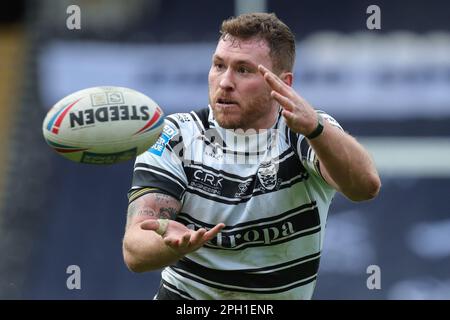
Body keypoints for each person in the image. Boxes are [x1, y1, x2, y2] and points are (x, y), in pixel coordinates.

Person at [123, 12, 381, 300]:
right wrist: (171, 245)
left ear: (281, 83)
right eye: (219, 65)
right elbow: (135, 249)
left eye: (243, 70)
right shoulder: (175, 135)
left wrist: (316, 129)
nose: (225, 82)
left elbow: (365, 187)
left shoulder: (303, 131)